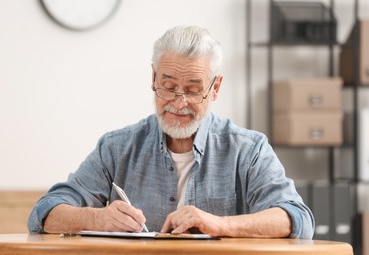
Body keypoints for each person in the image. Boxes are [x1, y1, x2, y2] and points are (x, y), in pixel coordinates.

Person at [28, 25, 314, 239]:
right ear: (153, 78)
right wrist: (97, 218)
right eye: (168, 86)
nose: (179, 102)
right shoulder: (117, 147)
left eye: (192, 90)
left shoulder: (248, 149)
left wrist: (221, 224)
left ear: (215, 88)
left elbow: (298, 220)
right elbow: (45, 212)